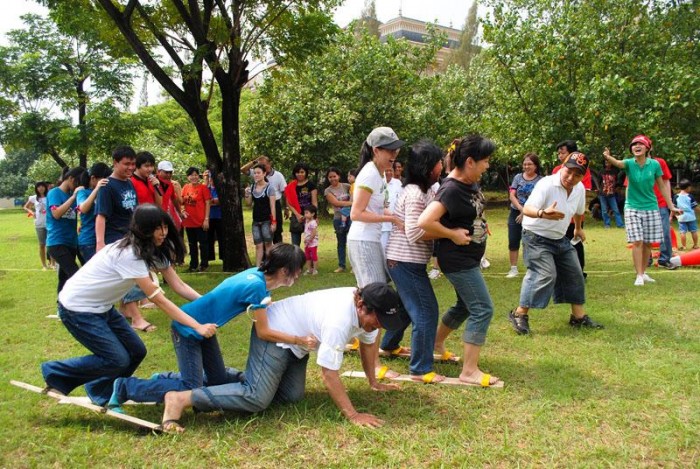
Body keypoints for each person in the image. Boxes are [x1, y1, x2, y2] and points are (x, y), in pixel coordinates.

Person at [159, 283, 403, 433]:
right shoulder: (339, 319)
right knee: (256, 398)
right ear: (361, 305)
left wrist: (373, 381)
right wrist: (353, 415)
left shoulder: (368, 312)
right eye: (378, 321)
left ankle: (246, 380)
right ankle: (180, 398)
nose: (378, 326)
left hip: (297, 345)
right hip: (276, 333)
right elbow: (329, 375)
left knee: (290, 396)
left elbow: (368, 346)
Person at [41, 204, 218, 406]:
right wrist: (197, 326)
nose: (164, 233)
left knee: (136, 351)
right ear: (143, 229)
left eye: (165, 227)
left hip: (102, 307)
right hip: (77, 308)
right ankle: (54, 371)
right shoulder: (129, 255)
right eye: (158, 228)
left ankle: (102, 390)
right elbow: (158, 299)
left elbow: (179, 285)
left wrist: (209, 303)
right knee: (117, 359)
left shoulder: (152, 251)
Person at [108, 243, 309, 412]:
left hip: (204, 328)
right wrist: (299, 340)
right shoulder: (257, 288)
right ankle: (124, 387)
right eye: (297, 270)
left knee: (218, 380)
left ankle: (163, 378)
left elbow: (243, 298)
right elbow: (263, 332)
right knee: (191, 387)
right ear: (284, 270)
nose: (298, 275)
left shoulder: (256, 275)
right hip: (187, 328)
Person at [417, 135, 501, 386]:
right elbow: (424, 222)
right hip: (457, 260)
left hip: (469, 257)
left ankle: (435, 343)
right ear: (470, 161)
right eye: (485, 161)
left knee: (465, 305)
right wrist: (452, 234)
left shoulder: (469, 183)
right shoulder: (451, 188)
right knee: (482, 309)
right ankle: (469, 371)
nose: (488, 166)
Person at [507, 151, 604, 335]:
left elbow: (578, 210)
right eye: (569, 171)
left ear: (583, 176)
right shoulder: (546, 184)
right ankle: (519, 313)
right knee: (545, 273)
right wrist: (543, 213)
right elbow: (527, 208)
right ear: (563, 166)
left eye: (577, 175)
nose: (571, 177)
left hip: (559, 238)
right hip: (535, 236)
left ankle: (578, 317)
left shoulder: (579, 188)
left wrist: (578, 228)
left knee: (575, 273)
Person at [381, 140, 445, 383]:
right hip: (404, 261)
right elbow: (414, 233)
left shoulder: (426, 189)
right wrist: (450, 233)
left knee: (409, 308)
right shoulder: (416, 193)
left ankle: (389, 344)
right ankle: (419, 369)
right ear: (428, 166)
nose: (442, 165)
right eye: (439, 161)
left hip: (406, 261)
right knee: (426, 312)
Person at [347, 126, 406, 378]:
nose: (394, 153)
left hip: (371, 242)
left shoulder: (380, 174)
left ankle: (362, 348)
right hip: (363, 242)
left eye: (396, 148)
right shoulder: (370, 175)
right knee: (374, 302)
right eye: (389, 149)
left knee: (372, 298)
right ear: (375, 150)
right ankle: (372, 365)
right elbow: (356, 213)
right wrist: (390, 219)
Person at [604, 135, 681, 285]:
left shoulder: (654, 165)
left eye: (640, 144)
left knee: (648, 243)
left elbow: (662, 186)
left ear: (647, 148)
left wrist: (671, 206)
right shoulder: (629, 164)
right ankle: (638, 275)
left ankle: (644, 272)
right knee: (637, 241)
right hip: (632, 207)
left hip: (651, 207)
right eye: (634, 145)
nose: (637, 146)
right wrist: (608, 157)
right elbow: (618, 163)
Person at [552, 140, 592, 277]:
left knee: (575, 243)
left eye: (562, 153)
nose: (560, 156)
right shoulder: (557, 171)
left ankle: (579, 272)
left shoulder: (582, 171)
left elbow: (582, 192)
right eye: (558, 153)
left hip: (574, 217)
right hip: (559, 216)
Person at [46, 167, 85, 293]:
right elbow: (56, 213)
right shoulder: (54, 193)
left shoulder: (70, 195)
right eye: (77, 183)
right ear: (71, 179)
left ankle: (61, 307)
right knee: (75, 274)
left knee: (64, 278)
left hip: (71, 242)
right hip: (57, 243)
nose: (78, 186)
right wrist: (73, 197)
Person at [506, 153, 543, 278]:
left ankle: (531, 268)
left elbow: (541, 199)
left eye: (530, 164)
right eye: (525, 164)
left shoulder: (541, 180)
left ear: (536, 166)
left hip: (533, 214)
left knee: (530, 241)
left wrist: (526, 212)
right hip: (516, 212)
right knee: (513, 239)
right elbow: (512, 195)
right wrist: (521, 209)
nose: (527, 166)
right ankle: (513, 269)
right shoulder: (517, 177)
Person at [76, 163, 111, 263]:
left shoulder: (105, 192)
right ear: (93, 178)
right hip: (88, 241)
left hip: (104, 239)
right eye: (104, 179)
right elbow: (83, 208)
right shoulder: (83, 192)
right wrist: (96, 189)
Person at [245, 164, 276, 266]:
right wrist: (247, 194)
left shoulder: (270, 188)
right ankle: (257, 268)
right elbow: (248, 204)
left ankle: (269, 266)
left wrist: (274, 222)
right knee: (258, 245)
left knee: (268, 244)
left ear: (264, 174)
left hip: (267, 220)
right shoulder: (252, 187)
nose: (256, 175)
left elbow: (272, 206)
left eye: (258, 173)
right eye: (255, 173)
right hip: (256, 221)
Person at [181, 167, 211, 272]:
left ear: (199, 176)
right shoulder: (185, 187)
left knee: (203, 244)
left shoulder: (203, 188)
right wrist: (182, 210)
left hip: (201, 221)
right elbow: (182, 202)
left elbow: (208, 203)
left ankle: (204, 264)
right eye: (191, 175)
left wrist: (206, 219)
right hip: (189, 222)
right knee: (192, 244)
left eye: (196, 175)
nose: (194, 177)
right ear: (188, 177)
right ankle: (193, 265)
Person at [324, 167, 352, 273]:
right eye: (330, 177)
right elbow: (336, 203)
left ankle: (354, 266)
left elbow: (356, 194)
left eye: (334, 176)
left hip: (351, 218)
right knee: (341, 243)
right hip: (338, 219)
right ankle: (341, 266)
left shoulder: (347, 186)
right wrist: (352, 203)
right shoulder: (328, 190)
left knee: (352, 242)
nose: (332, 178)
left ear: (339, 176)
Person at [283, 162, 317, 247]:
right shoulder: (291, 186)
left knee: (310, 242)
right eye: (297, 172)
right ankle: (296, 259)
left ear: (306, 173)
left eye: (302, 172)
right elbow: (289, 203)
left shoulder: (311, 185)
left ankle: (310, 260)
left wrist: (314, 216)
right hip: (296, 216)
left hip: (309, 216)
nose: (300, 174)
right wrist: (297, 215)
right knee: (295, 244)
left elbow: (314, 202)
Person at [24, 181, 50, 270]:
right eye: (39, 187)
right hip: (39, 224)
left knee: (51, 244)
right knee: (42, 245)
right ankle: (44, 265)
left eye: (42, 186)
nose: (41, 188)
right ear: (36, 188)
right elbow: (26, 206)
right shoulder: (33, 198)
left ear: (45, 187)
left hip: (50, 223)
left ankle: (53, 264)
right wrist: (31, 212)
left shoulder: (49, 196)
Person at [156, 160, 183, 235]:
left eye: (170, 172)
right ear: (158, 172)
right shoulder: (153, 184)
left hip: (165, 217)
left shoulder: (170, 185)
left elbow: (174, 199)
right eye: (166, 172)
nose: (168, 175)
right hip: (155, 217)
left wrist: (180, 212)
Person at [380, 166, 404, 250]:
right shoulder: (379, 183)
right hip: (383, 223)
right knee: (383, 248)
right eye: (386, 170)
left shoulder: (398, 183)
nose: (388, 173)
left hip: (396, 222)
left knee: (393, 250)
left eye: (390, 170)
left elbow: (402, 199)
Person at [598, 160, 625, 228]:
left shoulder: (615, 171)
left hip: (612, 194)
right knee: (604, 210)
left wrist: (617, 188)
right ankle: (607, 224)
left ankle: (620, 224)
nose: (608, 163)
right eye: (606, 162)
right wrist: (599, 190)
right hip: (602, 194)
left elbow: (618, 181)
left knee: (616, 210)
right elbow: (599, 182)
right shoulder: (601, 171)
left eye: (609, 162)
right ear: (604, 163)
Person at [204, 169, 224, 261]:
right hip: (210, 216)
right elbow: (205, 201)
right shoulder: (206, 189)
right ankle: (209, 257)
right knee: (209, 238)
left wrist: (211, 202)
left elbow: (219, 201)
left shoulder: (221, 189)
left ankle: (223, 256)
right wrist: (212, 202)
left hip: (220, 216)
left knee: (221, 237)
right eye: (211, 178)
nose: (212, 180)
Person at [674, 179, 698, 250]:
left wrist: (671, 216)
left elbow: (674, 208)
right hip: (691, 217)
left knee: (682, 232)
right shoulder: (690, 196)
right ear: (688, 187)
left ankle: (684, 246)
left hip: (681, 217)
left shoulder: (676, 197)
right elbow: (695, 207)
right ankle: (695, 245)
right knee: (694, 231)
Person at [303, 205, 319, 275]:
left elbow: (313, 232)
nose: (305, 215)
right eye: (305, 213)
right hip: (307, 243)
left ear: (313, 214)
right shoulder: (307, 221)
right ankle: (309, 269)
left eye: (307, 213)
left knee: (314, 256)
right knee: (307, 256)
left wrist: (309, 240)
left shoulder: (313, 223)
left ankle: (315, 270)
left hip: (313, 243)